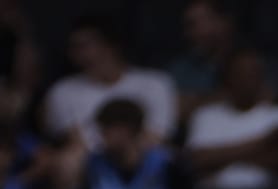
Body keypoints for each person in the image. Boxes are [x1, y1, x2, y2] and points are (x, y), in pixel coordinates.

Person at [75, 92, 216, 189]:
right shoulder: (95, 165)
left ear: (127, 130)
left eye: (106, 129)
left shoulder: (168, 165)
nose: (101, 136)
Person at [183, 47, 278, 189]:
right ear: (226, 78)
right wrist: (264, 141)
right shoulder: (205, 116)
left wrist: (216, 158)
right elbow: (197, 160)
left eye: (253, 73)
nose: (247, 80)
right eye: (239, 74)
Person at [42, 21, 177, 147]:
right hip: (92, 162)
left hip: (143, 159)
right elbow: (75, 142)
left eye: (83, 46)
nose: (75, 53)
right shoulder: (62, 90)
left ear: (111, 46)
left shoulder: (156, 83)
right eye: (72, 47)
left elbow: (159, 136)